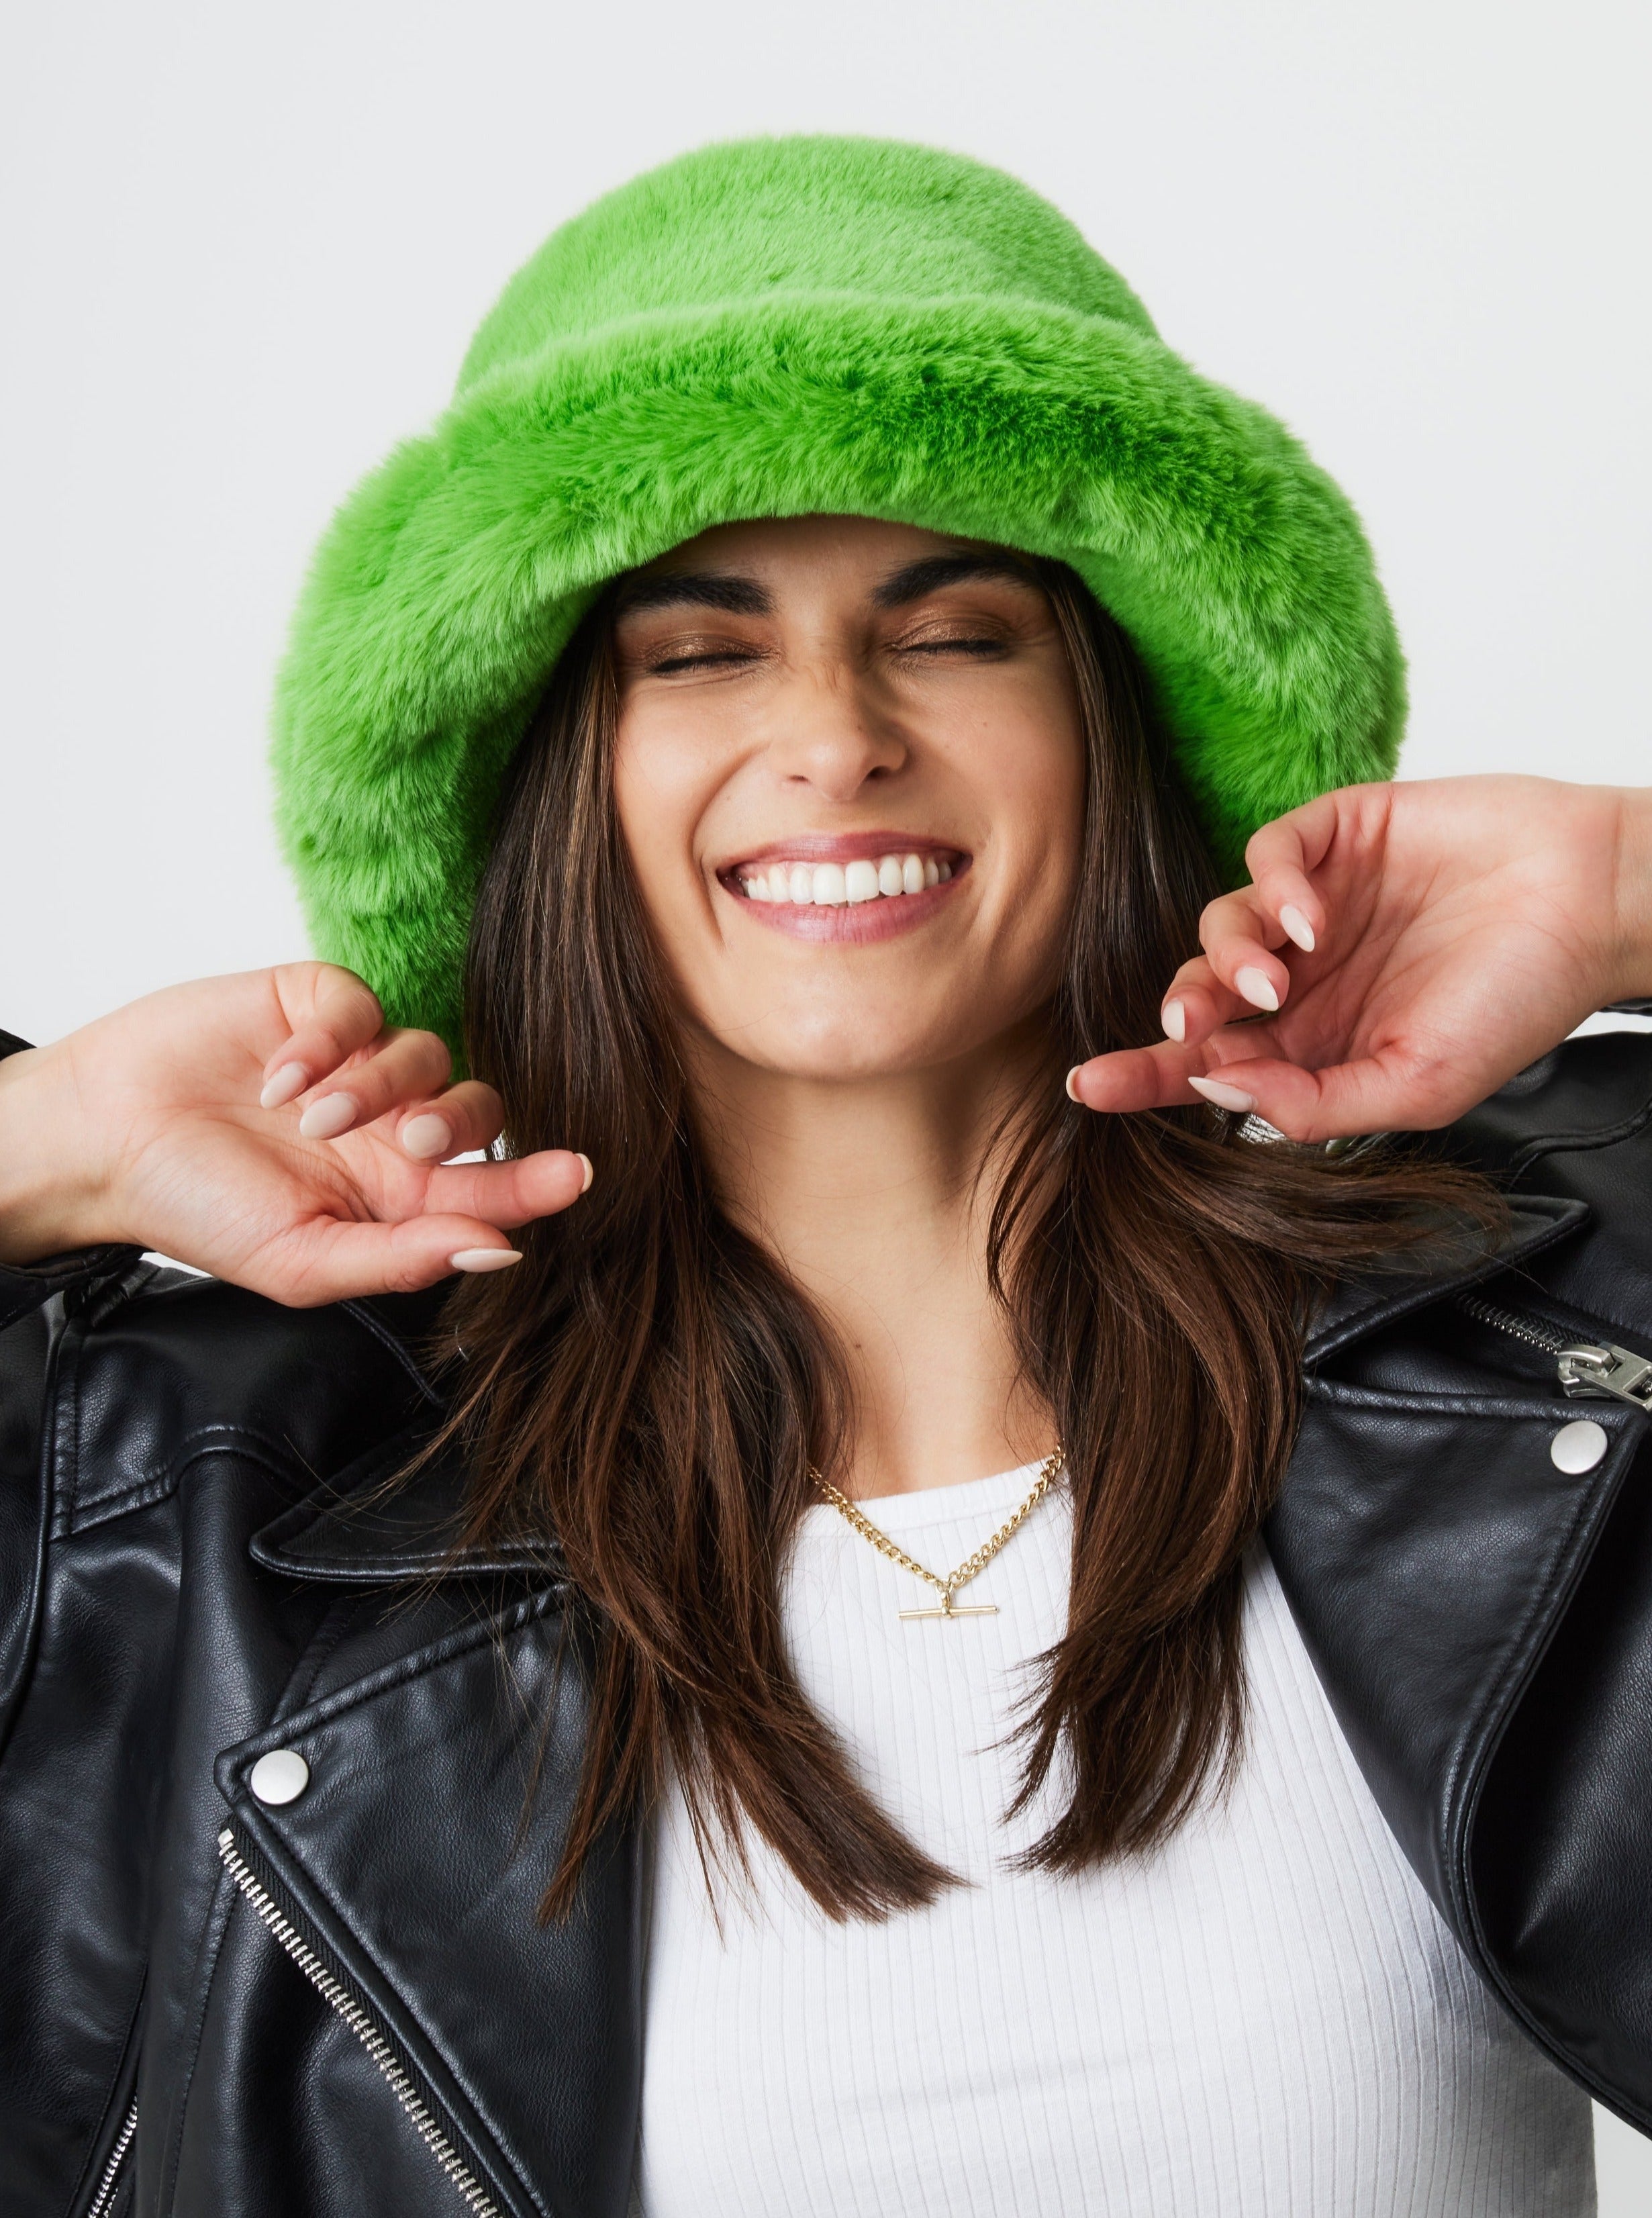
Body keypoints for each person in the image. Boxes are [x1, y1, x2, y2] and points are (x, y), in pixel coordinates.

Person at [2, 135, 1649, 2218]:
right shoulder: (205, 1510)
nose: (836, 735)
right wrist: (39, 1146)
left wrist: (1630, 891)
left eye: (953, 632)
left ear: (1109, 720)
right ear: (550, 774)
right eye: (697, 653)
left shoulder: (1556, 1343)